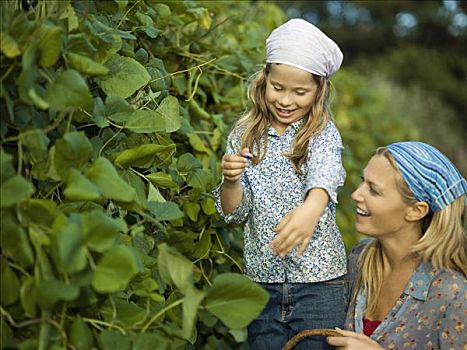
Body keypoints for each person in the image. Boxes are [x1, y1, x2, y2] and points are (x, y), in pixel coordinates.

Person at [213, 18, 347, 349]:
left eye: (300, 92)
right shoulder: (244, 135)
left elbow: (326, 174)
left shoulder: (321, 133)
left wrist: (311, 209)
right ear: (264, 81)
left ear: (319, 90)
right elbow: (234, 213)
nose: (286, 101)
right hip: (262, 283)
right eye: (278, 88)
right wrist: (231, 182)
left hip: (320, 285)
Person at [327, 141, 466, 349]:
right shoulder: (360, 259)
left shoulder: (452, 293)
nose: (356, 194)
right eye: (362, 182)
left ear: (416, 211)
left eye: (373, 190)